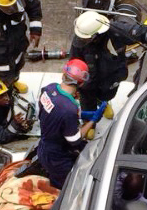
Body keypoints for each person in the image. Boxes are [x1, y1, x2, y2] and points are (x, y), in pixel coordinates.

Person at [69, 10, 147, 115]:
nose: (82, 40)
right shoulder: (81, 38)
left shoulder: (116, 31)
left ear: (97, 35)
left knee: (107, 95)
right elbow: (73, 62)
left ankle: (103, 104)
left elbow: (138, 31)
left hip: (111, 78)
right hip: (88, 83)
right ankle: (90, 121)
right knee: (87, 103)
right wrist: (74, 84)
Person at [36, 59, 102, 189]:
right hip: (57, 157)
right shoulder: (68, 109)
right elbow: (75, 140)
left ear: (63, 74)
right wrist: (93, 120)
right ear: (81, 83)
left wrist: (80, 115)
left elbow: (52, 111)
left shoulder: (50, 88)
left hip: (44, 146)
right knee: (66, 187)